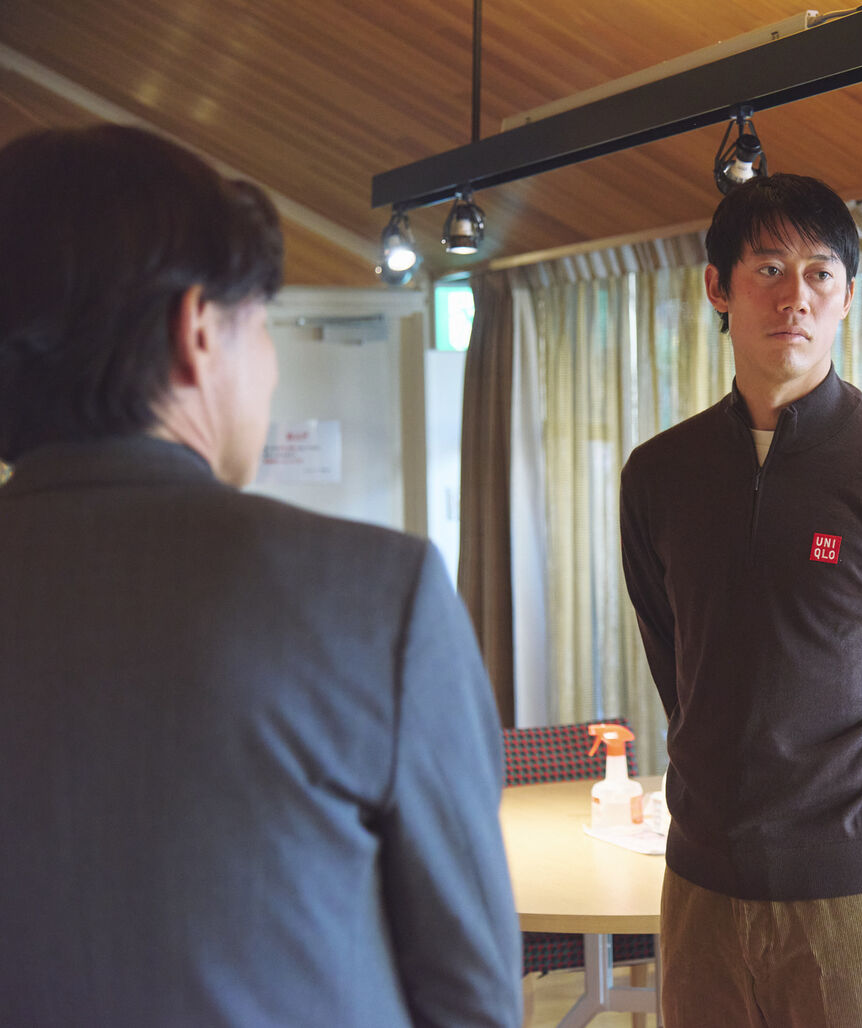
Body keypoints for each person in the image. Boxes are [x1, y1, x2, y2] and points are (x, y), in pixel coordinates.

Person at [0, 124, 522, 1026]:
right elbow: (472, 996)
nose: (271, 369)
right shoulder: (373, 598)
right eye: (263, 326)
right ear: (197, 330)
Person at [619, 173, 862, 1027]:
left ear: (848, 297)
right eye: (769, 269)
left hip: (861, 892)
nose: (796, 297)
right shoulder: (659, 475)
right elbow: (677, 656)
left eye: (821, 274)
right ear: (718, 286)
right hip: (701, 881)